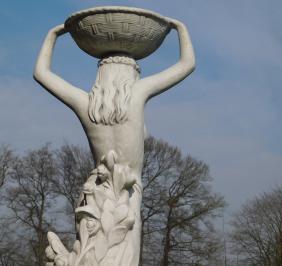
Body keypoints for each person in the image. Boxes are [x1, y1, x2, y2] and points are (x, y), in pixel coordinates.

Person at [34, 17, 195, 266]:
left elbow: (41, 74)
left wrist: (53, 34)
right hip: (127, 198)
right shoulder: (137, 94)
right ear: (131, 74)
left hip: (96, 196)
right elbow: (187, 64)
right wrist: (180, 28)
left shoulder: (86, 104)